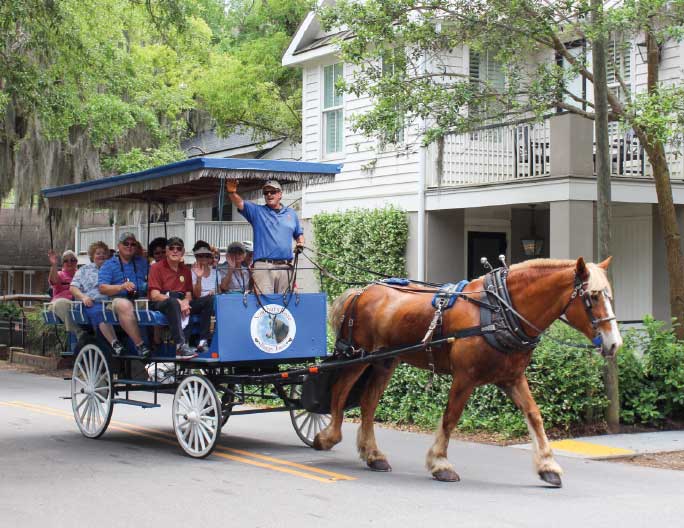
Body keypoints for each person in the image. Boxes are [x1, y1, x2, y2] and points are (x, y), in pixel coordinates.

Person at [225, 179, 304, 294]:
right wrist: (232, 193)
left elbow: (299, 234)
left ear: (280, 194)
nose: (269, 194)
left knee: (286, 307)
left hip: (285, 266)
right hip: (264, 266)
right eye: (266, 192)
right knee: (264, 307)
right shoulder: (257, 211)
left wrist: (300, 243)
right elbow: (240, 204)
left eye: (273, 191)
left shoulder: (291, 213)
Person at [147, 237, 213, 358]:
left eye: (178, 248)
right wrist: (178, 302)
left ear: (182, 252)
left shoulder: (185, 270)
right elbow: (154, 295)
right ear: (166, 251)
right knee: (173, 303)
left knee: (209, 300)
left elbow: (188, 293)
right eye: (171, 248)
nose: (175, 251)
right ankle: (180, 346)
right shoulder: (156, 267)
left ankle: (203, 340)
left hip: (181, 300)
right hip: (163, 301)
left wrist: (186, 302)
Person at [98, 232, 151, 358]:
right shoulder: (109, 264)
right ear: (119, 246)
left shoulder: (142, 262)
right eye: (126, 244)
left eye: (133, 244)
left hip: (141, 299)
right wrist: (121, 287)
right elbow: (102, 288)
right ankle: (140, 345)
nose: (129, 246)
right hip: (117, 300)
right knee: (124, 305)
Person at [69, 241, 121, 353]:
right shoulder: (84, 270)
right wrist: (83, 297)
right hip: (90, 303)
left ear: (107, 256)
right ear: (92, 256)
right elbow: (73, 288)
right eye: (98, 253)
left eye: (104, 253)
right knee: (100, 312)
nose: (101, 255)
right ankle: (114, 343)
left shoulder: (113, 269)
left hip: (109, 303)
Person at [47, 249, 84, 340]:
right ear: (63, 263)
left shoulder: (82, 275)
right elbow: (54, 280)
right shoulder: (60, 274)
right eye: (66, 260)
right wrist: (54, 264)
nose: (69, 262)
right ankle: (80, 334)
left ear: (76, 262)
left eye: (72, 260)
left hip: (77, 304)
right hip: (59, 304)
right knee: (62, 304)